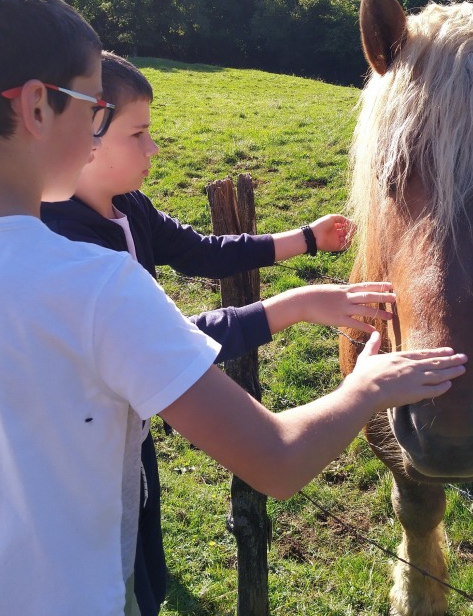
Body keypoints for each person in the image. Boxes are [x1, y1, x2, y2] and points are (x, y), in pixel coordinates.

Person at [0, 0, 467, 616]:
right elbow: (276, 461)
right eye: (95, 109)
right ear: (38, 107)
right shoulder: (95, 286)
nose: (98, 129)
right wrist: (366, 388)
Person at [41, 50, 398, 615]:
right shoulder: (66, 245)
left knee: (144, 572)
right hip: (83, 465)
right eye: (138, 134)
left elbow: (202, 253)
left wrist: (306, 239)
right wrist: (297, 304)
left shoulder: (127, 206)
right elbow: (174, 342)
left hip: (128, 440)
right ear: (86, 135)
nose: (153, 149)